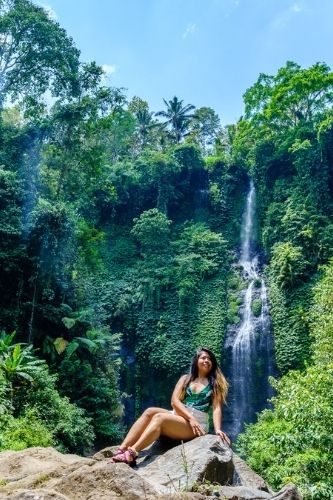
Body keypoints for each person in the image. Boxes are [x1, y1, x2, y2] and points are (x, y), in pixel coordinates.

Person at [112, 347, 230, 466]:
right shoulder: (185, 379)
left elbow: (216, 408)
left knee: (160, 418)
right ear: (196, 360)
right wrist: (190, 418)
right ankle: (123, 448)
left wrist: (218, 429)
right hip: (182, 416)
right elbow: (174, 401)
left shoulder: (215, 384)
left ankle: (132, 453)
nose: (207, 360)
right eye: (203, 357)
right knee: (149, 411)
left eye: (210, 359)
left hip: (197, 424)